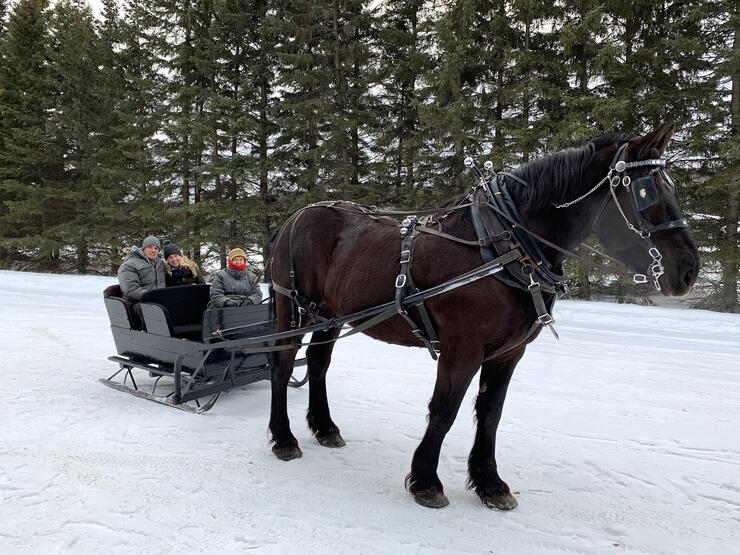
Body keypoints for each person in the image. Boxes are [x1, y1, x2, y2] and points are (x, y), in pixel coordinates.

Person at [117, 236, 165, 302]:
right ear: (143, 248)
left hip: (159, 300)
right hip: (138, 302)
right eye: (150, 247)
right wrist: (151, 296)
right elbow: (131, 289)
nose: (153, 250)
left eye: (156, 248)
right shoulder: (129, 265)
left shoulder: (160, 263)